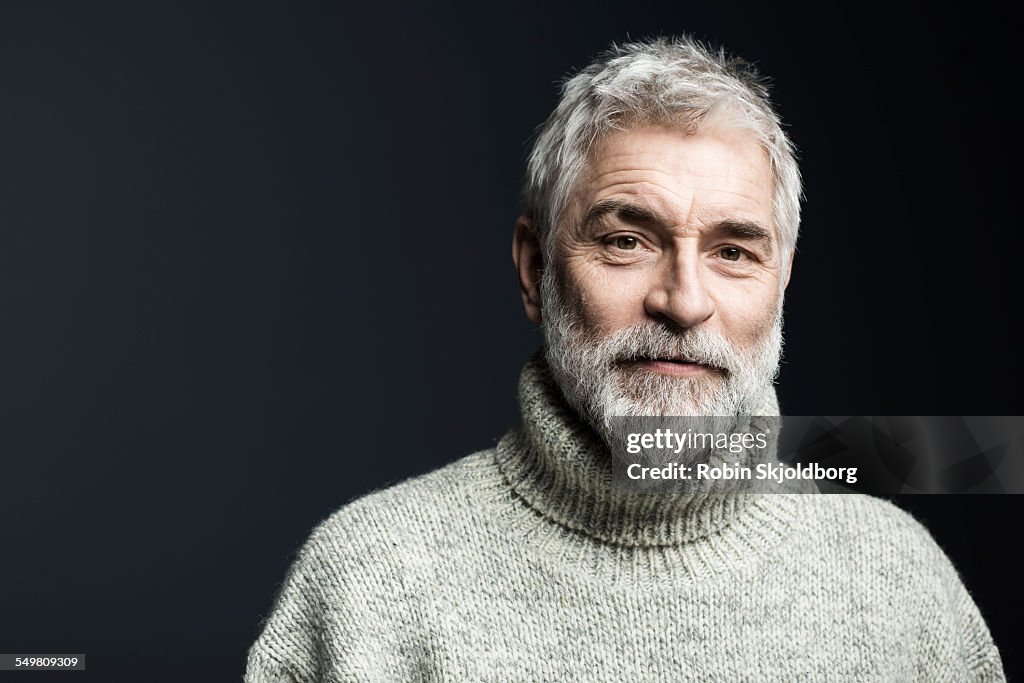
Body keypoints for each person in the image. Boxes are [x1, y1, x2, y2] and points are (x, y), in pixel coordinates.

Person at [245, 36, 1005, 681]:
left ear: (781, 283)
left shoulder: (904, 587)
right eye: (625, 240)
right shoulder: (365, 589)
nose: (683, 301)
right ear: (534, 269)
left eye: (734, 251)